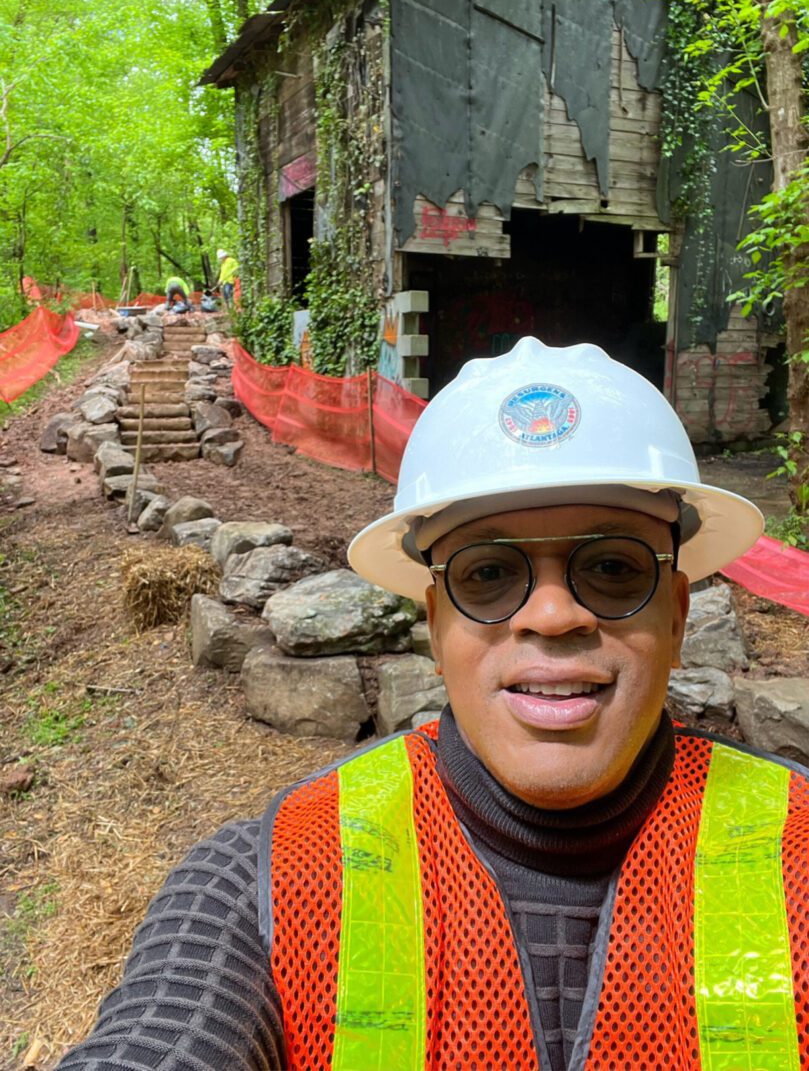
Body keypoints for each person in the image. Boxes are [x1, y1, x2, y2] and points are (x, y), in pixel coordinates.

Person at [56, 337, 809, 1070]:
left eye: (612, 567)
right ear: (434, 622)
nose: (550, 615)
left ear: (676, 616)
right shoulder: (260, 886)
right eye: (486, 574)